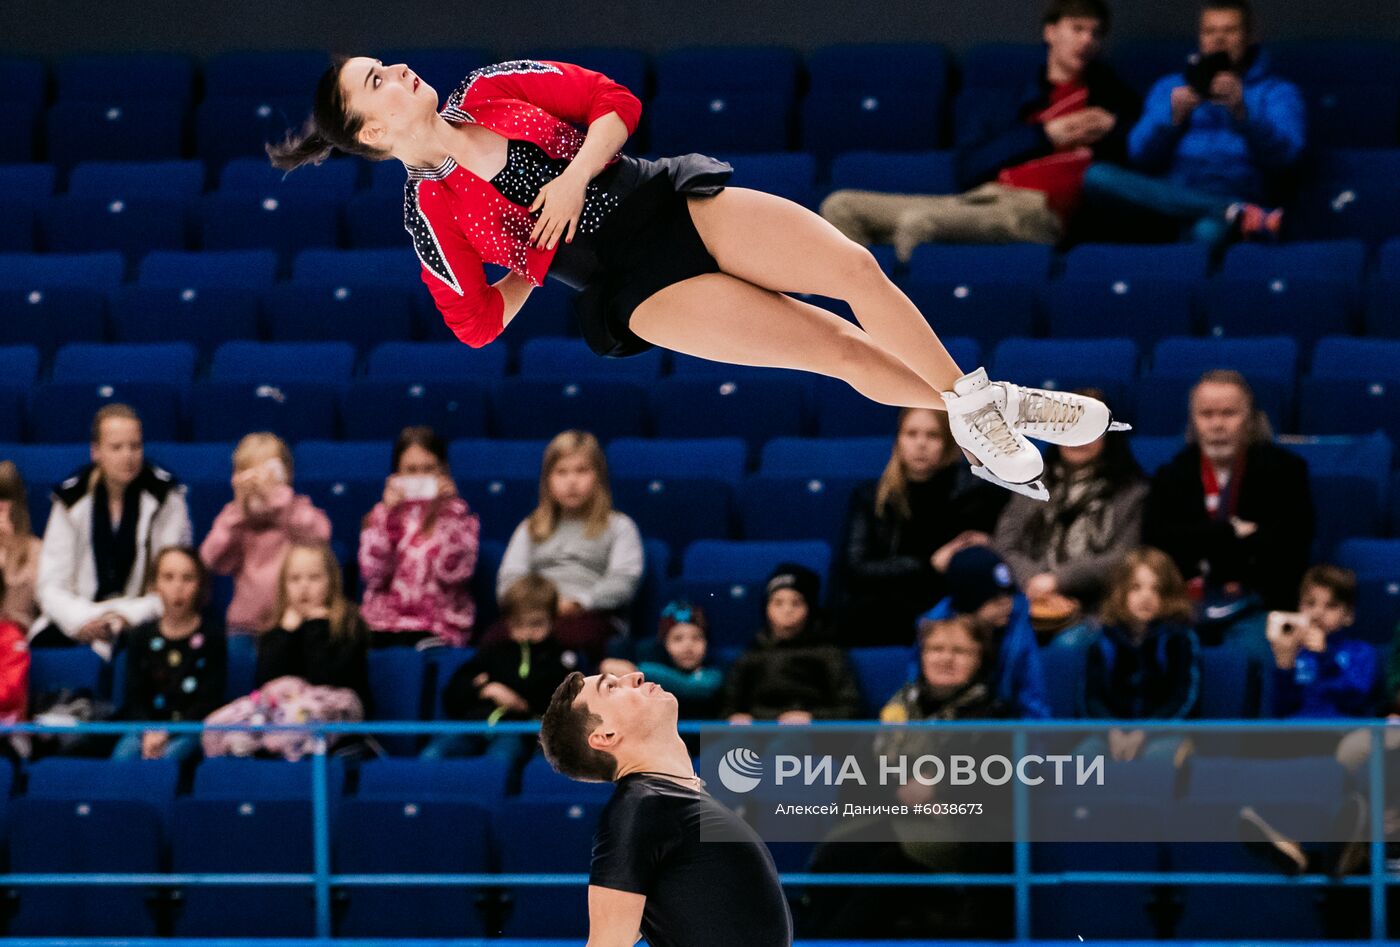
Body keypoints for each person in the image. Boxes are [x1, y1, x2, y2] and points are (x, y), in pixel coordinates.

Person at [268, 55, 1125, 499]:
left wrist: (573, 178)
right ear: (372, 133)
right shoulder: (431, 216)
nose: (397, 72)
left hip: (667, 201)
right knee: (834, 348)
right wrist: (530, 261)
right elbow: (476, 322)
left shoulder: (491, 87)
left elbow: (615, 103)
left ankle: (984, 409)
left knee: (853, 268)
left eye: (383, 63)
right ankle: (984, 407)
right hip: (634, 287)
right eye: (376, 83)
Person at [822, 0, 1139, 256]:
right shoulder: (1012, 104)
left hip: (1038, 211)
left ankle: (901, 329)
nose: (1087, 40)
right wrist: (1044, 136)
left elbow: (1137, 167)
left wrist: (1115, 128)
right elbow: (969, 167)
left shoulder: (1112, 101)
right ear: (1051, 32)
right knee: (841, 206)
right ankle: (853, 321)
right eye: (1078, 28)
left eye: (1096, 34)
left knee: (919, 224)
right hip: (981, 198)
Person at [539, 669, 794, 946]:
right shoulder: (640, 807)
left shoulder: (668, 799)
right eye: (611, 687)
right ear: (606, 735)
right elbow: (607, 942)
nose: (634, 676)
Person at [803, 616, 1013, 939]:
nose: (945, 658)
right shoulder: (897, 709)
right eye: (936, 649)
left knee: (887, 864)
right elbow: (860, 776)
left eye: (960, 651)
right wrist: (907, 794)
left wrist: (940, 788)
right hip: (885, 820)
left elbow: (991, 787)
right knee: (835, 856)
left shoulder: (994, 716)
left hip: (956, 835)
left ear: (980, 659)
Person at [1082, 0, 1304, 245]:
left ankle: (1228, 210)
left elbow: (1286, 158)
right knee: (1096, 176)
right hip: (1167, 194)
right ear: (1200, 38)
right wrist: (1172, 120)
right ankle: (1234, 211)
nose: (1219, 39)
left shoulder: (1276, 92)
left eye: (1230, 31)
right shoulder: (1170, 87)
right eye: (1210, 31)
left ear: (1250, 37)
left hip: (1232, 188)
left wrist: (1243, 113)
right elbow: (1139, 155)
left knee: (1205, 232)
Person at [1142, 370, 1313, 617]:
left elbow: (1289, 549)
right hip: (1181, 607)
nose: (1217, 425)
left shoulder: (1286, 473)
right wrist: (1233, 532)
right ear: (1193, 421)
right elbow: (1158, 547)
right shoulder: (1170, 476)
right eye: (1206, 414)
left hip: (1261, 605)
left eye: (1229, 413)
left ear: (1252, 420)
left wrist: (1198, 540)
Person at [833, 407, 1008, 646]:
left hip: (949, 604)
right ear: (898, 440)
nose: (921, 444)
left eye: (932, 436)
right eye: (911, 434)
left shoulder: (976, 494)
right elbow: (855, 568)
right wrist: (928, 564)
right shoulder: (871, 497)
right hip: (885, 605)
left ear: (948, 443)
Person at [32, 405, 192, 658]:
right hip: (81, 616)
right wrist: (82, 621)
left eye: (135, 446)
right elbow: (51, 585)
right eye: (116, 447)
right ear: (96, 452)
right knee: (44, 645)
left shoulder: (166, 497)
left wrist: (126, 617)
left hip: (142, 617)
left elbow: (173, 580)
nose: (128, 456)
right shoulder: (71, 498)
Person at [993, 389, 1148, 616]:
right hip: (1027, 597)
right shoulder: (1030, 481)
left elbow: (1124, 557)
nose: (1077, 437)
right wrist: (1035, 581)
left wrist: (1058, 580)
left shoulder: (1132, 492)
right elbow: (1005, 544)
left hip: (1099, 605)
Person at [495, 430, 642, 661]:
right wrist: (542, 605)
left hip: (592, 616)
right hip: (534, 615)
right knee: (494, 639)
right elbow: (509, 580)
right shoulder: (531, 526)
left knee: (568, 637)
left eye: (582, 471)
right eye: (561, 472)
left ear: (598, 477)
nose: (571, 481)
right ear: (548, 480)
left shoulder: (619, 526)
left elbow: (623, 581)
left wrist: (578, 602)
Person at [433, 574, 579, 762]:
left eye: (536, 624)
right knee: (433, 754)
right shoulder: (493, 652)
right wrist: (484, 689)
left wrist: (518, 702)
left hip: (518, 731)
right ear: (508, 623)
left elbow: (558, 702)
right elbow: (453, 694)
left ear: (552, 620)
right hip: (474, 724)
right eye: (518, 624)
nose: (526, 632)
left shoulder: (562, 658)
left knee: (498, 761)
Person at [358, 426, 480, 648]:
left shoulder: (459, 516)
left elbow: (455, 575)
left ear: (443, 471)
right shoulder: (380, 515)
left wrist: (448, 514)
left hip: (437, 624)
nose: (420, 477)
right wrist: (388, 517)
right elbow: (373, 575)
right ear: (396, 474)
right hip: (384, 624)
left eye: (428, 469)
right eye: (411, 470)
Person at [1078, 548, 1202, 763]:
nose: (1146, 596)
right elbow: (1091, 698)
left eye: (1156, 589)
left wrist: (1145, 731)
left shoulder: (1180, 638)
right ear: (1121, 592)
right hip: (1110, 734)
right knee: (1083, 759)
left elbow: (1183, 697)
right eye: (1136, 588)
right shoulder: (1102, 639)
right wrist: (1112, 731)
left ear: (1169, 596)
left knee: (1156, 761)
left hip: (1165, 731)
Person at [201, 433, 332, 635]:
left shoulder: (296, 508)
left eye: (267, 471)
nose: (258, 481)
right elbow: (211, 558)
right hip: (245, 626)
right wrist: (239, 510)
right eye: (249, 473)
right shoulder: (235, 517)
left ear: (285, 474)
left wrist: (276, 500)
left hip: (295, 621)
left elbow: (320, 536)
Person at [115, 546, 227, 761]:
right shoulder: (140, 636)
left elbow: (209, 700)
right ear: (155, 584)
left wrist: (168, 732)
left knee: (170, 758)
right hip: (145, 729)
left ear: (200, 585)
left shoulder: (212, 636)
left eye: (187, 578)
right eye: (168, 577)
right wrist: (149, 731)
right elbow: (134, 697)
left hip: (190, 728)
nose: (178, 587)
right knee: (123, 757)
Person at [915, 545, 1050, 718]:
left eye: (1008, 594)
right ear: (970, 603)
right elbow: (916, 690)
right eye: (994, 599)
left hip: (1002, 730)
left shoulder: (1017, 628)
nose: (1007, 603)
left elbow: (1033, 703)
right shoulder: (934, 627)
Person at [722, 564, 862, 725]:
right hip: (757, 734)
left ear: (810, 608)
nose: (787, 610)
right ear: (766, 608)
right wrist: (735, 717)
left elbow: (851, 708)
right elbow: (728, 707)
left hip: (810, 738)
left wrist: (813, 718)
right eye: (778, 603)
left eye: (796, 603)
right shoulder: (750, 655)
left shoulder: (829, 653)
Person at [255, 542, 370, 712]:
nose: (304, 586)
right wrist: (285, 634)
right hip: (284, 717)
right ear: (283, 585)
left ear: (331, 581)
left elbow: (326, 679)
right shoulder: (277, 629)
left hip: (336, 717)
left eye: (314, 577)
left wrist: (316, 627)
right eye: (295, 579)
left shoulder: (349, 624)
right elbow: (267, 682)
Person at [1267, 566, 1380, 720]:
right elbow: (1282, 712)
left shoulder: (1361, 652)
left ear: (1349, 615)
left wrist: (1325, 656)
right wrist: (1285, 667)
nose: (1317, 613)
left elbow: (1355, 702)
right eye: (1310, 603)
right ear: (1299, 606)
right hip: (1297, 733)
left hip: (1342, 732)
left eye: (1331, 606)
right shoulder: (1293, 651)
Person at [603, 600, 726, 722]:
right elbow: (608, 666)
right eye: (678, 639)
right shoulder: (655, 661)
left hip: (704, 739)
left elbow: (695, 687)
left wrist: (635, 671)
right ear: (665, 644)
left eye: (697, 638)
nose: (688, 646)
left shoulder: (714, 674)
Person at [0, 461, 43, 628]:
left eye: (5, 499)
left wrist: (11, 551)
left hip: (17, 638)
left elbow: (45, 601)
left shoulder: (35, 549)